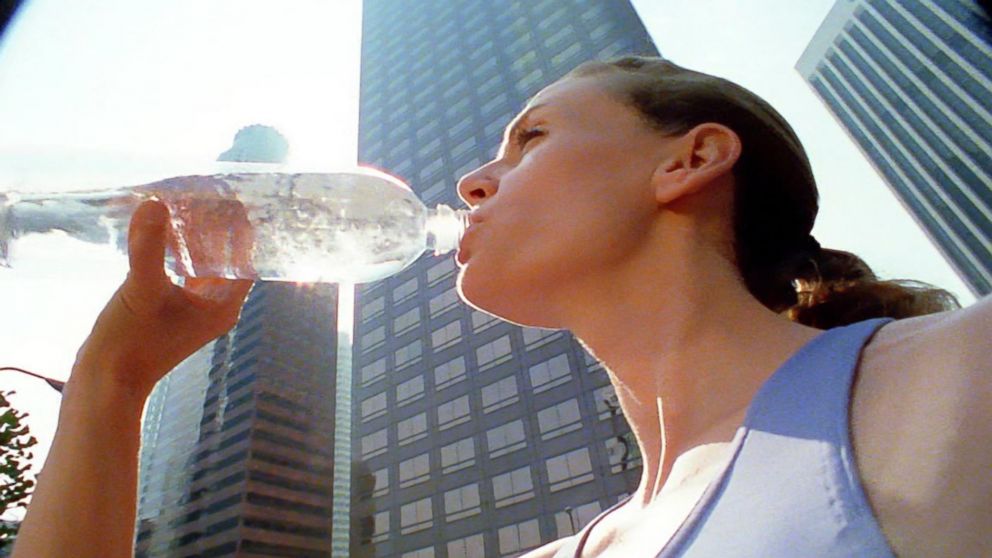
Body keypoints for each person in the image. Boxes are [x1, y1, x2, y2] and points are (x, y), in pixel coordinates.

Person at [11, 56, 990, 557]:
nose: (476, 179)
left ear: (687, 159)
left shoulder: (953, 381)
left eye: (529, 140)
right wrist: (114, 381)